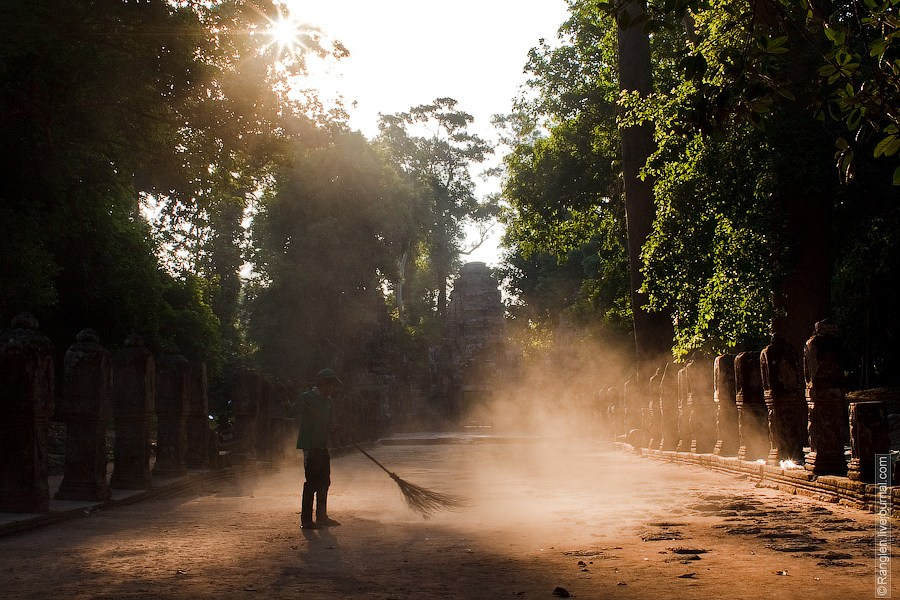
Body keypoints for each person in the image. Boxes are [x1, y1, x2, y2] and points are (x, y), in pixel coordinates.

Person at [294, 368, 342, 529]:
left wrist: (332, 428)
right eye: (332, 385)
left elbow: (329, 423)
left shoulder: (329, 403)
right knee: (311, 483)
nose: (334, 389)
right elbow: (294, 409)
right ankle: (306, 520)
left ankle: (322, 516)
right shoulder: (306, 398)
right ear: (323, 384)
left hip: (322, 445)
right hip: (310, 445)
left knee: (325, 481)